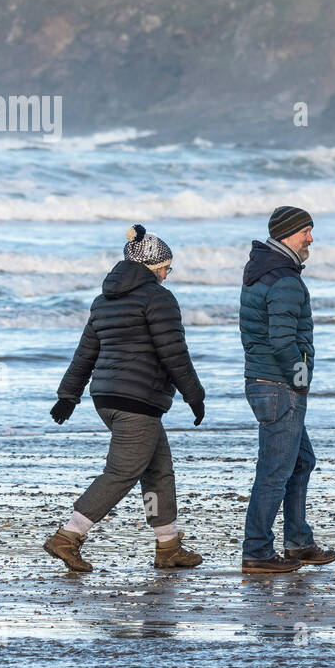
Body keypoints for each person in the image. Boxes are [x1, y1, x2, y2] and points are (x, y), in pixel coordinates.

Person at [43, 224, 206, 572]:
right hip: (139, 401)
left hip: (108, 398)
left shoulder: (104, 301)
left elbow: (85, 353)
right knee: (122, 472)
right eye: (167, 268)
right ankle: (68, 536)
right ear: (154, 268)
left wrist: (68, 396)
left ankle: (168, 546)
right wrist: (195, 394)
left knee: (159, 471)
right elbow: (173, 352)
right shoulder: (158, 299)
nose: (168, 275)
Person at [238, 206, 335, 573]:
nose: (311, 238)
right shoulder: (284, 280)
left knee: (300, 461)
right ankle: (257, 552)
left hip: (264, 382)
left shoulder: (262, 272)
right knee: (275, 471)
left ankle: (298, 542)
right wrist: (301, 380)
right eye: (305, 231)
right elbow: (282, 342)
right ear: (286, 234)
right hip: (279, 386)